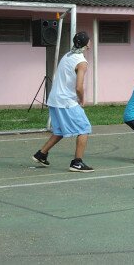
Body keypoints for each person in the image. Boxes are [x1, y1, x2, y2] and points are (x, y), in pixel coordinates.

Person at [32, 31, 94, 172]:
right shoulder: (82, 62)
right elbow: (79, 86)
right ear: (87, 44)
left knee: (60, 130)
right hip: (66, 101)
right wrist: (82, 98)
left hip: (54, 99)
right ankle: (77, 163)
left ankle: (41, 154)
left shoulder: (67, 55)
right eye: (89, 41)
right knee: (84, 128)